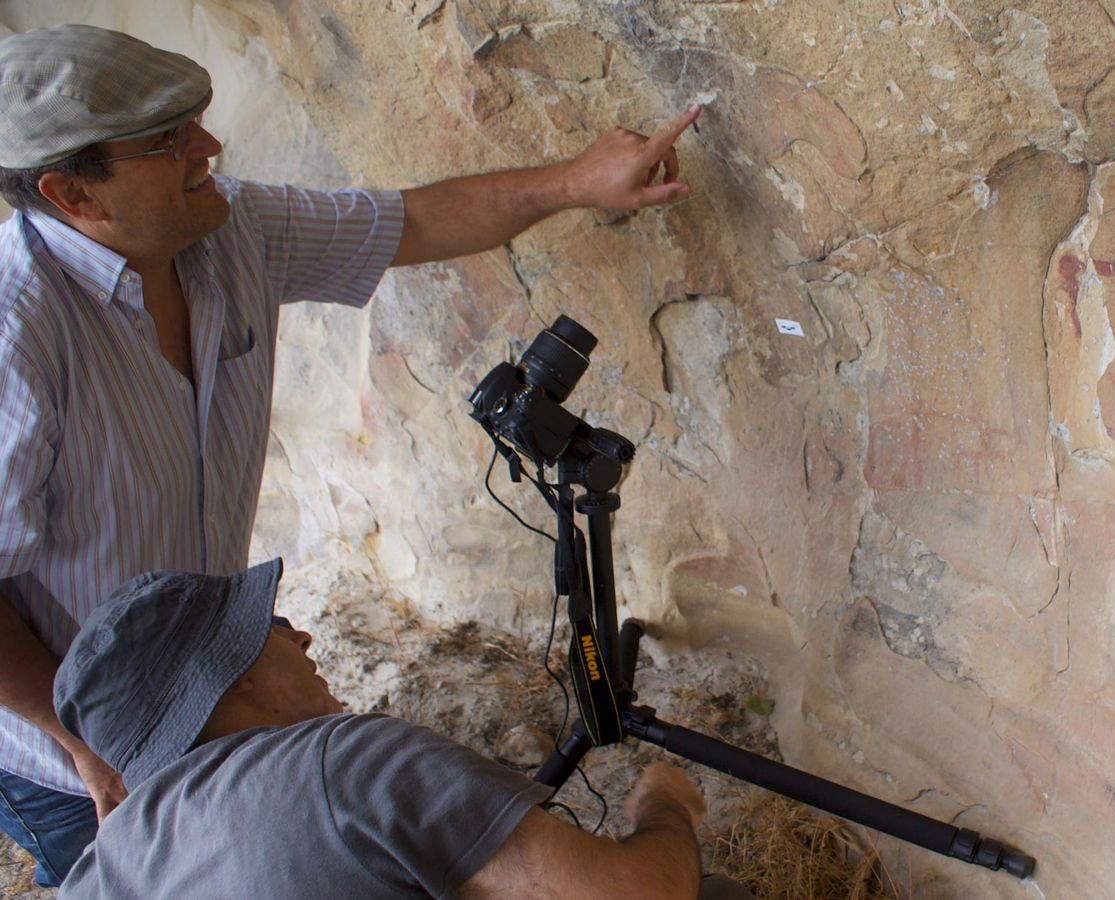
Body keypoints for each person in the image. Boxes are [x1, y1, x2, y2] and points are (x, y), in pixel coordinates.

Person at [0, 23, 702, 885]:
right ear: (73, 193)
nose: (209, 148)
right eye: (170, 141)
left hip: (215, 701)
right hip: (76, 760)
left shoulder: (224, 229)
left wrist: (579, 181)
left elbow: (407, 222)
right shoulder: (16, 340)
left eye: (196, 121)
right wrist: (83, 749)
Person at [50, 560, 753, 899]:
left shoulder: (97, 872)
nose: (304, 641)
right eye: (271, 628)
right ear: (232, 677)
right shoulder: (342, 767)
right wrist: (664, 808)